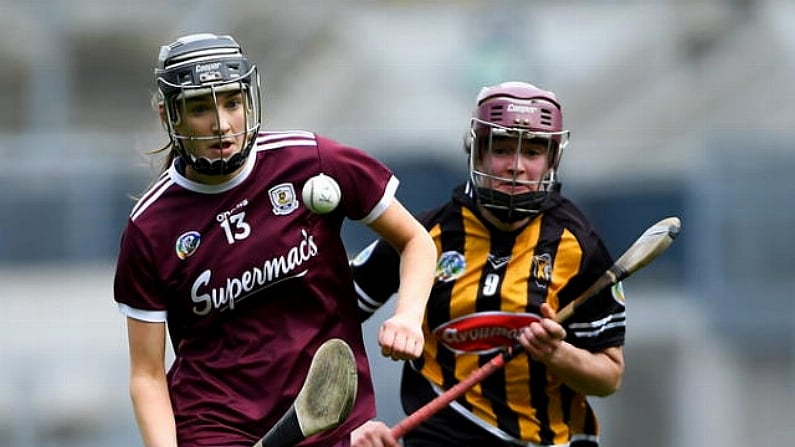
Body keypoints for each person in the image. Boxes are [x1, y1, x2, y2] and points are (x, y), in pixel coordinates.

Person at [113, 33, 437, 447]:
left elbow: (415, 241)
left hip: (330, 414)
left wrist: (408, 316)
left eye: (231, 102)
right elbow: (146, 375)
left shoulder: (313, 162)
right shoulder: (151, 227)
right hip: (215, 428)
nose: (221, 123)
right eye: (199, 108)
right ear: (169, 115)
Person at [350, 81, 626, 447]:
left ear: (552, 159)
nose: (516, 167)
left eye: (532, 152)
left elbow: (608, 378)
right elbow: (323, 322)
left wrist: (557, 354)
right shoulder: (422, 236)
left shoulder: (580, 246)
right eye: (502, 148)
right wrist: (354, 424)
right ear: (477, 152)